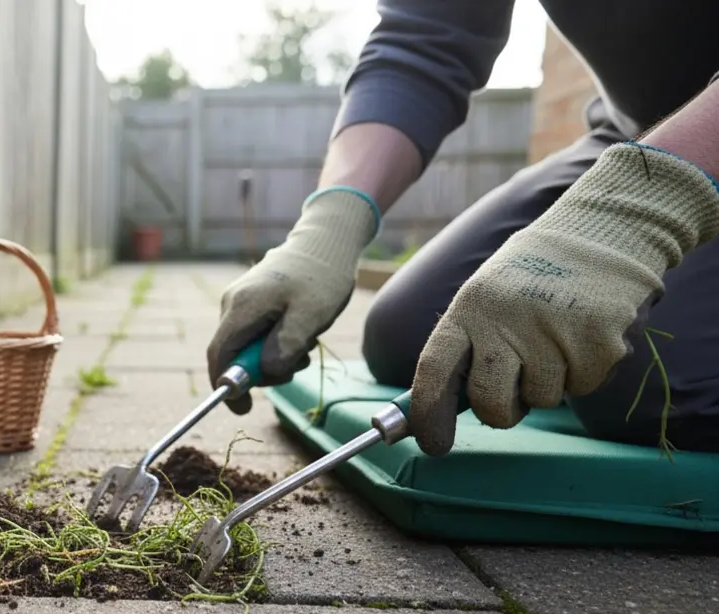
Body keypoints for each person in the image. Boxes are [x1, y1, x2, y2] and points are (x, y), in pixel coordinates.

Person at [205, 1, 719, 457]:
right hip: (631, 134)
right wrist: (328, 229)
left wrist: (637, 210)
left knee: (650, 388)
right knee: (411, 337)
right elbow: (420, 44)